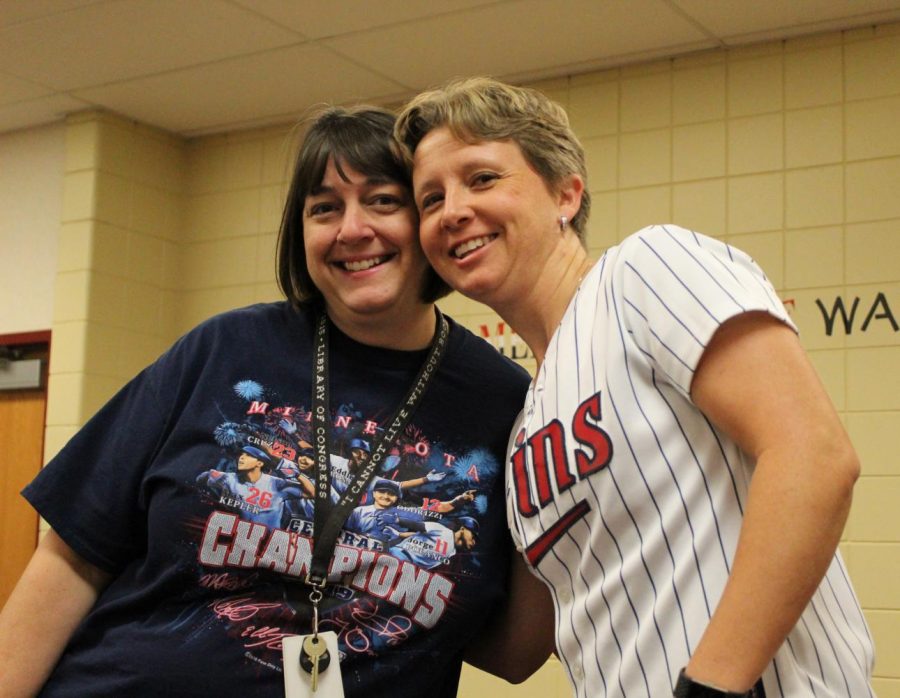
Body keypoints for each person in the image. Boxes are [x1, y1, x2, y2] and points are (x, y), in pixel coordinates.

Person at [0, 105, 553, 697]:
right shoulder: (224, 349)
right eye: (324, 209)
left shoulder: (504, 402)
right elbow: (73, 557)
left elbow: (511, 655)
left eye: (383, 201)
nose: (351, 229)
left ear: (428, 221)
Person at [396, 77, 876, 697]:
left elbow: (814, 456)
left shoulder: (645, 272)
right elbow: (524, 649)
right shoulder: (525, 428)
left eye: (482, 178)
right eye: (430, 199)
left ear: (566, 192)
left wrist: (712, 687)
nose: (452, 210)